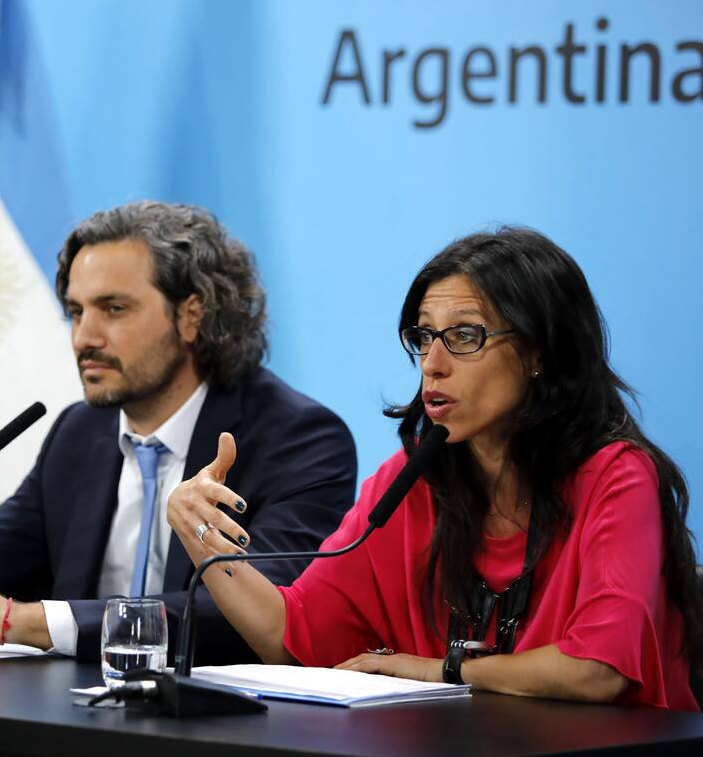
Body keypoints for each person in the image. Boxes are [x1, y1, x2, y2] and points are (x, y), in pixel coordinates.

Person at [168, 227, 701, 710]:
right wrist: (204, 538)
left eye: (464, 337)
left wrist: (435, 671)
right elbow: (288, 635)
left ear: (539, 353)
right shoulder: (415, 481)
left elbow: (596, 670)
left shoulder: (616, 477)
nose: (433, 363)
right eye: (424, 337)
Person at [0, 201, 357, 663]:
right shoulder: (78, 431)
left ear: (192, 315)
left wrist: (21, 623)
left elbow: (254, 615)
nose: (84, 338)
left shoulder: (299, 439)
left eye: (114, 309)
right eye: (75, 312)